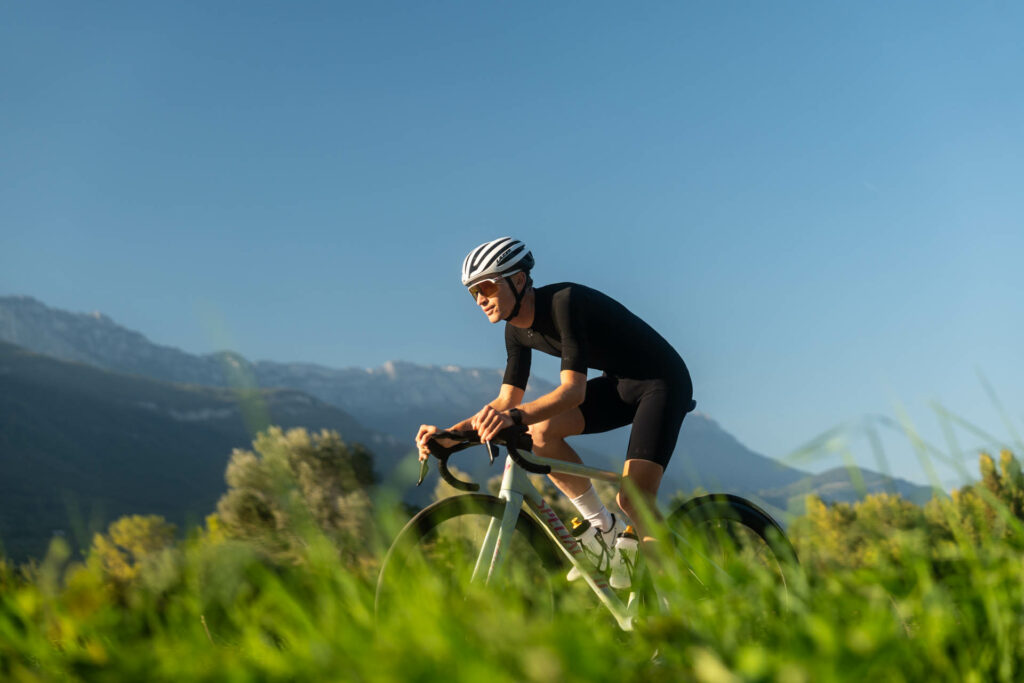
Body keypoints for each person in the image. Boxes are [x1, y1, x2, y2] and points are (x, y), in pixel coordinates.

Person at [416, 237, 693, 581]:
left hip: (663, 382)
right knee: (542, 433)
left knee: (634, 500)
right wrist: (451, 436)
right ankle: (603, 529)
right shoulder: (515, 332)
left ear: (518, 279)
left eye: (486, 287)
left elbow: (572, 392)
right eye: (473, 292)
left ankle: (679, 596)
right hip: (619, 385)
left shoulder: (565, 302)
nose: (480, 300)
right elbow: (504, 403)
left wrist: (513, 418)